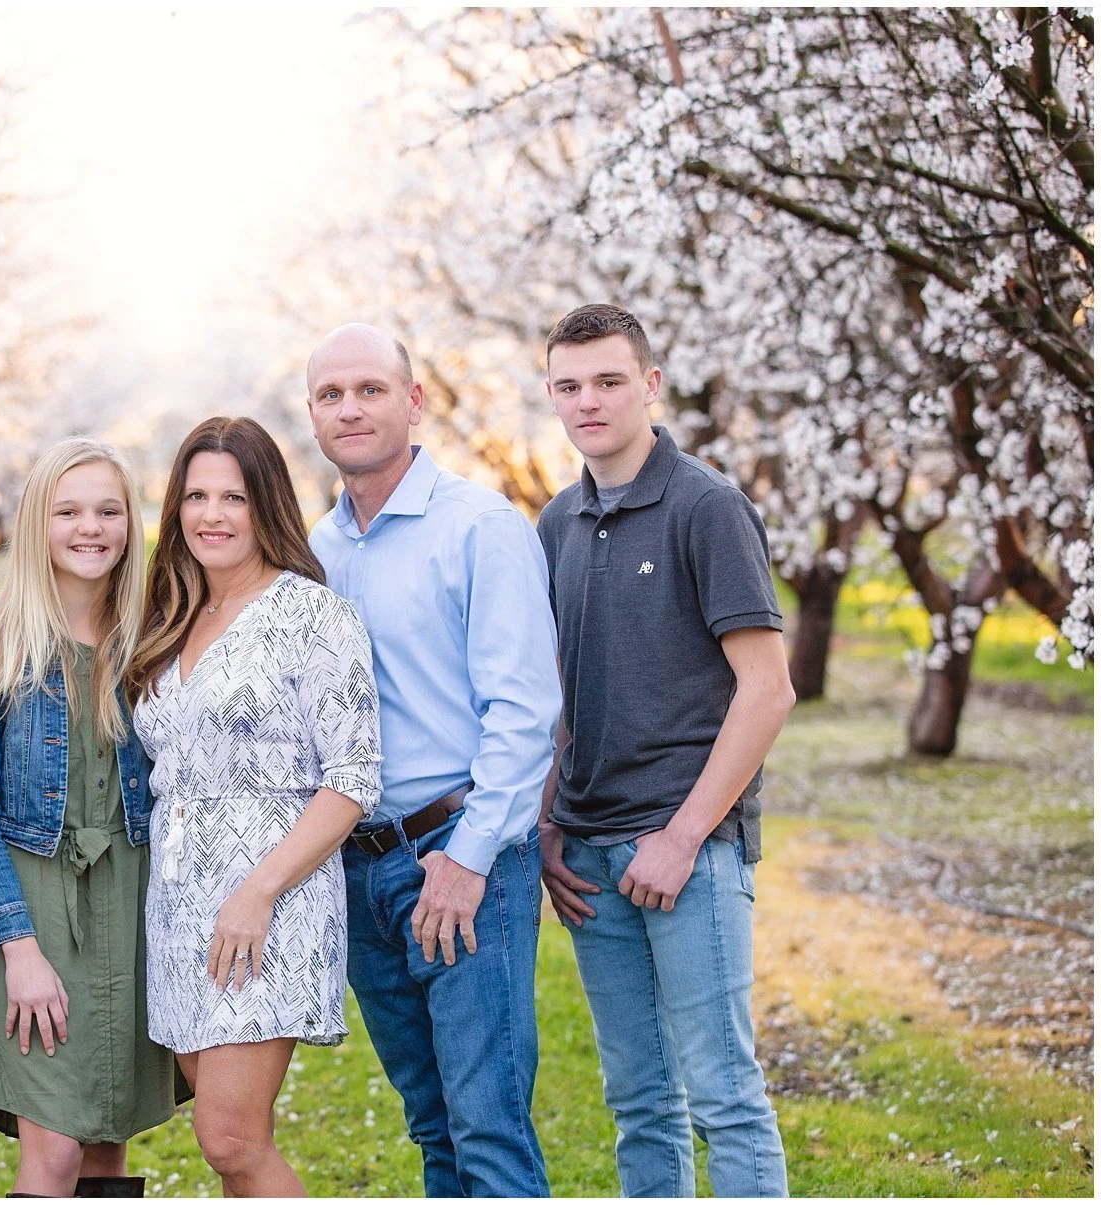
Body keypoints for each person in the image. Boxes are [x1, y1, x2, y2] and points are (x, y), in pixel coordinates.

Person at [536, 303, 794, 1197]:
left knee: (723, 1094)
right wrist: (547, 825)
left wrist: (682, 836)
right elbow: (558, 695)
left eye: (608, 381)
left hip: (692, 848)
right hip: (590, 854)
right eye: (568, 386)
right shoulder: (556, 521)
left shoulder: (708, 507)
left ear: (650, 385)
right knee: (639, 1099)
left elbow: (768, 689)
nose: (588, 402)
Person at [305, 323, 561, 1197]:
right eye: (330, 394)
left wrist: (470, 857)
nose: (350, 408)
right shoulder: (316, 550)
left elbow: (525, 713)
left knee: (487, 1126)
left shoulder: (480, 526)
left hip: (460, 855)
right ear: (312, 414)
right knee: (434, 1125)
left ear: (414, 402)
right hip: (360, 867)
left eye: (370, 389)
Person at [124, 416, 382, 1198]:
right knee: (227, 1143)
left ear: (265, 503)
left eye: (232, 496)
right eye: (196, 496)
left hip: (269, 900)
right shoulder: (169, 615)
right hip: (178, 908)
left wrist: (257, 893)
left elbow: (354, 777)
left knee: (232, 1138)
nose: (212, 514)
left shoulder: (315, 617)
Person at [0, 438, 180, 1198]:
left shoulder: (157, 639)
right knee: (52, 1155)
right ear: (37, 524)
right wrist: (19, 948)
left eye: (109, 510)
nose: (92, 527)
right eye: (69, 510)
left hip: (136, 904)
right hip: (37, 909)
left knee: (108, 1142)